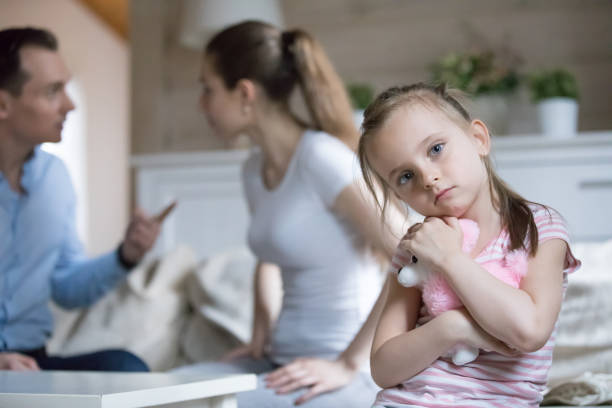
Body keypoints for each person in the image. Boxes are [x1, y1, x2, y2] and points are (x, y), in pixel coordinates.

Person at [174, 20, 409, 407]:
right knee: (160, 391)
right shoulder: (253, 169)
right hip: (281, 363)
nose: (202, 104)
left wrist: (348, 363)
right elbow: (269, 259)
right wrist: (259, 332)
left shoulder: (321, 159)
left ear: (245, 93)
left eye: (207, 89)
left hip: (342, 375)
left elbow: (412, 256)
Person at [357, 83, 581, 407]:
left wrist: (449, 258)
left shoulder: (539, 227)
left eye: (435, 149)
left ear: (478, 139)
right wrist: (452, 327)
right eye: (406, 176)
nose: (428, 178)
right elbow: (383, 368)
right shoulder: (416, 247)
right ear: (398, 195)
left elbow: (529, 331)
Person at [0, 27, 162, 372]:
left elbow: (66, 287)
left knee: (125, 368)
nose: (70, 105)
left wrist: (126, 255)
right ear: (3, 104)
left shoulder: (54, 178)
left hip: (31, 361)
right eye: (52, 91)